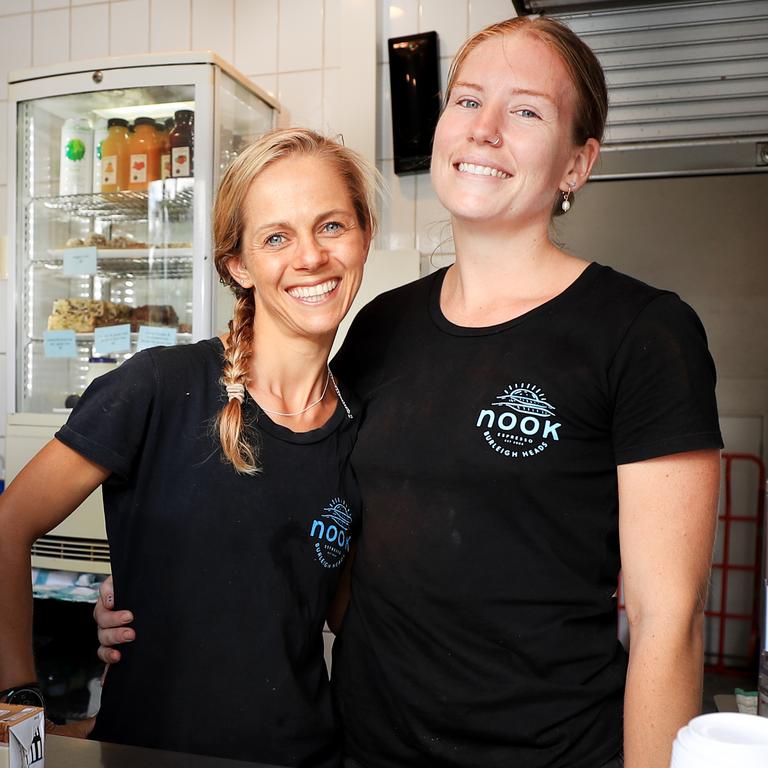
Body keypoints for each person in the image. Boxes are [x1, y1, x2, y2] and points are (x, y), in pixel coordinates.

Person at [96, 16, 722, 768]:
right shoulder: (381, 329)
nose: (485, 129)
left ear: (576, 165)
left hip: (550, 752)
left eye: (526, 111)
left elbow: (668, 620)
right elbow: (306, 525)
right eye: (467, 101)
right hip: (363, 749)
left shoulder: (643, 332)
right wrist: (159, 597)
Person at [0, 127, 378, 766]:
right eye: (277, 237)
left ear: (363, 235)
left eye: (332, 226)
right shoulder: (159, 387)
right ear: (238, 264)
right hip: (146, 752)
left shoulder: (361, 430)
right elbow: (9, 525)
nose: (311, 257)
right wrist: (20, 717)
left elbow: (346, 616)